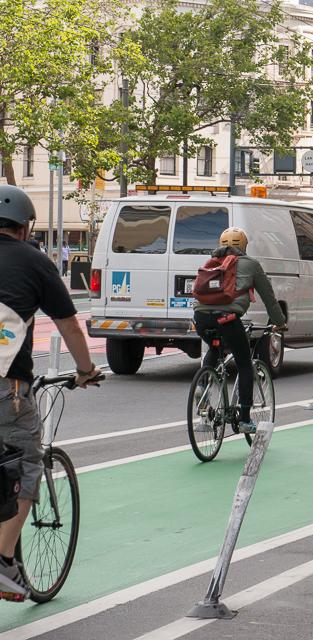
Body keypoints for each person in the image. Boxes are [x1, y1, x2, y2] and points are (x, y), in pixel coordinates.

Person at [0, 185, 102, 601]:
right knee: (26, 467)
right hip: (10, 388)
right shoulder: (35, 263)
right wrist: (85, 370)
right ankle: (4, 560)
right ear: (25, 228)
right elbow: (69, 326)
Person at [193, 227, 287, 435]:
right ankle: (244, 418)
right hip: (228, 319)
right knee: (244, 363)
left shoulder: (212, 261)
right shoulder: (251, 264)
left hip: (201, 317)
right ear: (244, 246)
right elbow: (269, 297)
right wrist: (279, 321)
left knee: (214, 348)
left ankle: (202, 385)